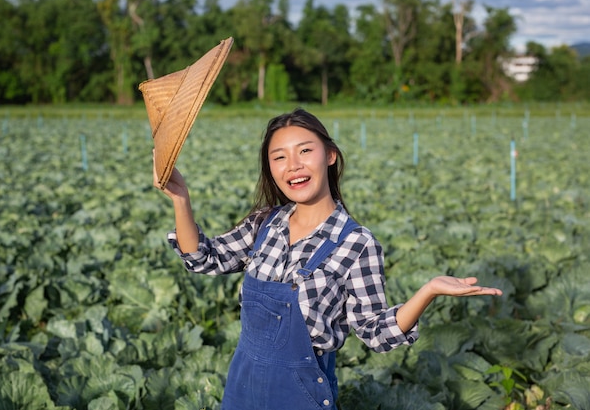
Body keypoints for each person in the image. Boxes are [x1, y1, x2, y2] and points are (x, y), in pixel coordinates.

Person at [153, 108, 503, 410]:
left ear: (330, 155)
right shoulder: (264, 224)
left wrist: (428, 291)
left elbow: (376, 333)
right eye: (279, 157)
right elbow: (203, 259)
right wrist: (181, 199)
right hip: (242, 390)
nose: (293, 166)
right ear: (270, 167)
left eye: (305, 151)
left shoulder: (355, 244)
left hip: (300, 395)